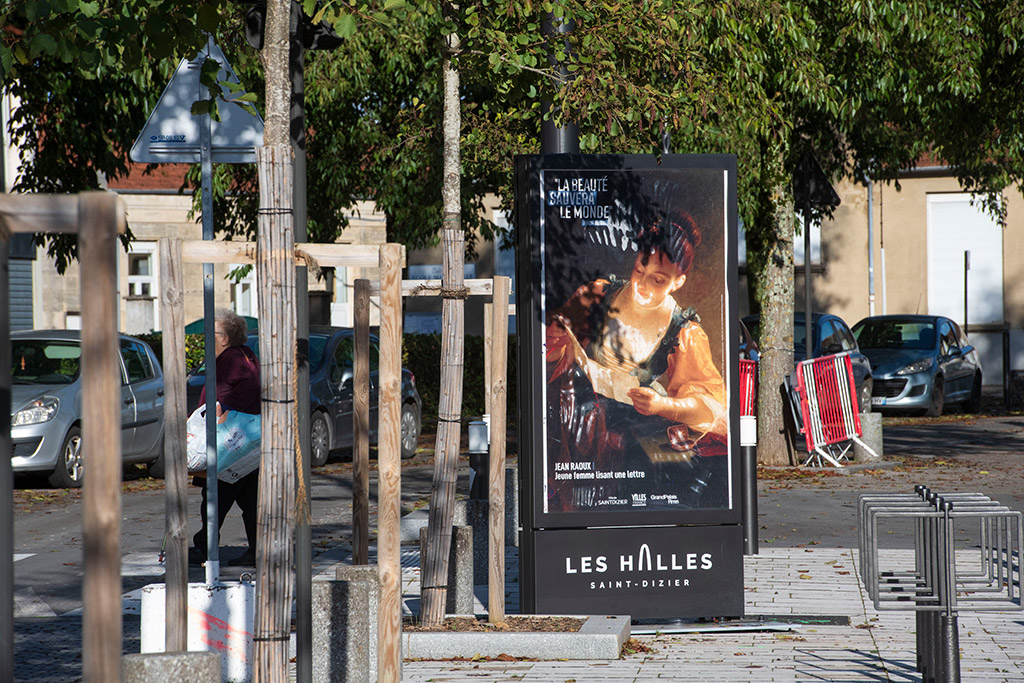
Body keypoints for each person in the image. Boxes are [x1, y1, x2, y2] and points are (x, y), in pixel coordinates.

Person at [545, 211, 727, 511]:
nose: (642, 284)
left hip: (628, 436)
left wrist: (663, 405)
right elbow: (552, 347)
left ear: (678, 281)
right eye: (639, 270)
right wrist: (557, 335)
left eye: (658, 279)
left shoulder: (684, 333)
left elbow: (710, 406)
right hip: (573, 421)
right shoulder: (599, 294)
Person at [189, 308, 260, 567]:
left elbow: (251, 386)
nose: (206, 338)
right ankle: (256, 550)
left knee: (215, 496)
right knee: (248, 500)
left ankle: (205, 549)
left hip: (231, 442)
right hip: (242, 441)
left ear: (225, 337)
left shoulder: (233, 358)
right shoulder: (241, 355)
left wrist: (223, 408)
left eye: (212, 333)